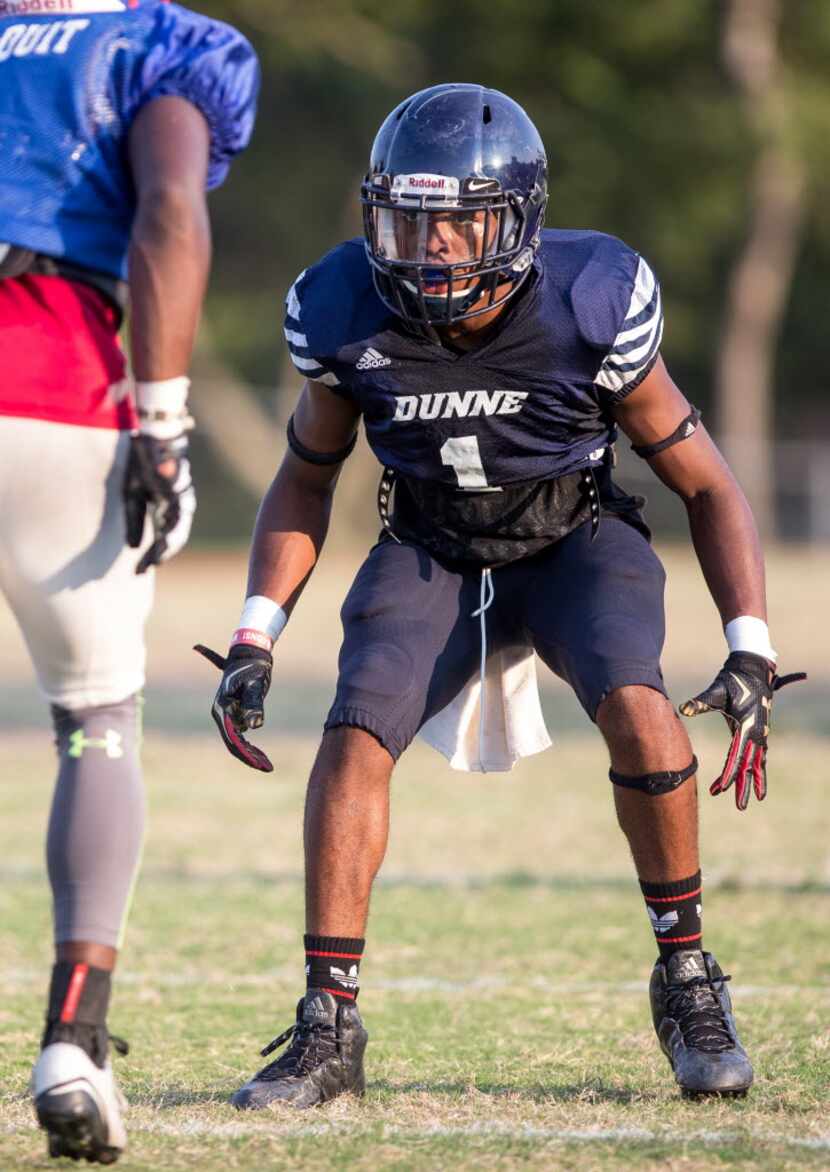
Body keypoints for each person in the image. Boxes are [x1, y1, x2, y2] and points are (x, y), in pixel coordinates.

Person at [199, 83, 803, 1111]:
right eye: (407, 219)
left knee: (642, 715)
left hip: (572, 537)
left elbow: (704, 481)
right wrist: (255, 633)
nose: (428, 246)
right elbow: (306, 475)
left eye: (454, 221)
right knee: (351, 737)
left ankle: (688, 975)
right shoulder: (343, 307)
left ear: (514, 217)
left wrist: (748, 644)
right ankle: (327, 1023)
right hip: (429, 541)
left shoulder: (589, 295)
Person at [0, 0, 259, 1161]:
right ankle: (72, 1039)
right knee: (95, 723)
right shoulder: (161, 44)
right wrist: (161, 417)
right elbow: (167, 212)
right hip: (58, 380)